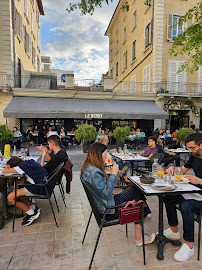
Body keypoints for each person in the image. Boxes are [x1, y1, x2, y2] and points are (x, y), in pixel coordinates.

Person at [81, 143, 155, 246]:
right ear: (98, 154)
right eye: (105, 154)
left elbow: (102, 189)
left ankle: (144, 219)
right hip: (108, 208)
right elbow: (106, 193)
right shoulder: (94, 172)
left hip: (104, 203)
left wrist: (112, 174)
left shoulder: (89, 168)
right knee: (136, 190)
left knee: (135, 191)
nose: (107, 157)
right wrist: (113, 175)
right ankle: (143, 223)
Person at [164, 133, 202, 262]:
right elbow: (183, 170)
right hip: (195, 192)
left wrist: (200, 181)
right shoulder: (195, 156)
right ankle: (174, 230)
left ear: (201, 145)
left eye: (192, 148)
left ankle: (189, 244)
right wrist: (174, 168)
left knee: (186, 206)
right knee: (168, 196)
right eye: (188, 148)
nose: (190, 151)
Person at [0, 156, 48, 226]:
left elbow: (4, 171)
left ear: (13, 167)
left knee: (10, 197)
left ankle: (32, 214)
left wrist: (6, 167)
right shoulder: (28, 162)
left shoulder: (20, 167)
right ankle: (34, 208)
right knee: (17, 189)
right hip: (44, 184)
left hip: (39, 188)